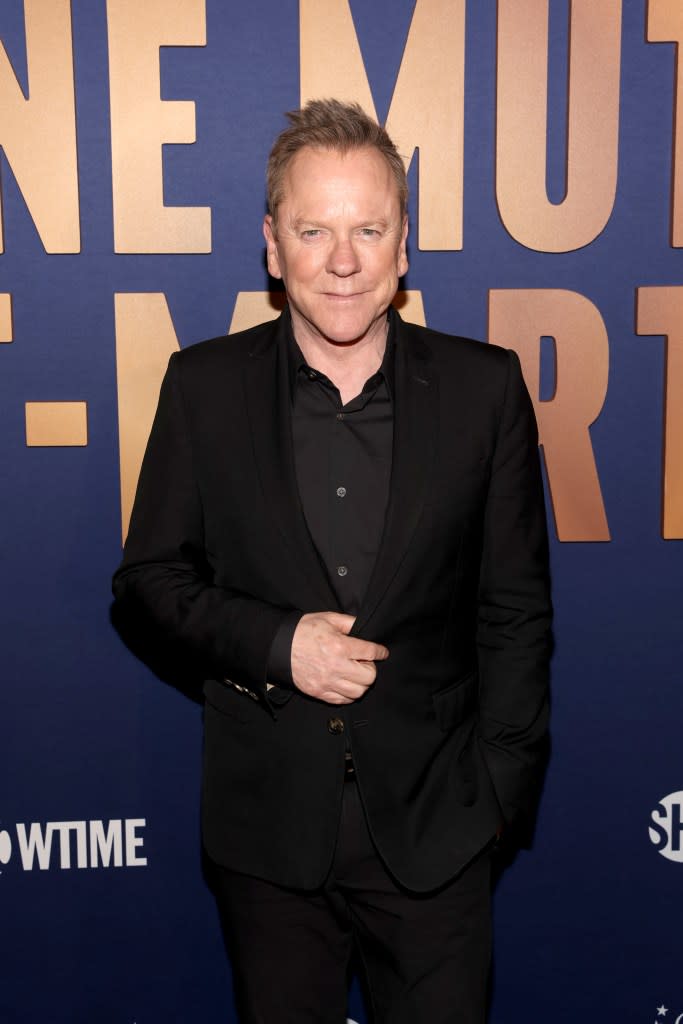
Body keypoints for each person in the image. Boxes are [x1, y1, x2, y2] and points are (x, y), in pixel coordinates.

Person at [113, 98, 552, 1024]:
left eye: (368, 230)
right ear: (273, 246)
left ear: (404, 246)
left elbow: (512, 609)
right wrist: (280, 646)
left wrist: (499, 798)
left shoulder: (484, 390)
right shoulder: (204, 388)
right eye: (314, 230)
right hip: (269, 838)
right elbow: (147, 585)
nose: (342, 260)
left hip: (440, 834)